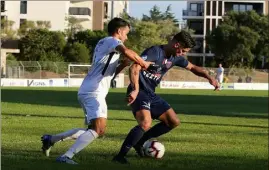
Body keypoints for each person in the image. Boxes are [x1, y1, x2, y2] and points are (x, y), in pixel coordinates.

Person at [41, 17, 158, 164]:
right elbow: (127, 51)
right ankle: (66, 157)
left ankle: (51, 139)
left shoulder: (104, 43)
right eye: (126, 33)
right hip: (93, 91)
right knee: (98, 130)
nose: (126, 37)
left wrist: (122, 65)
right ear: (119, 31)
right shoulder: (112, 41)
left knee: (93, 129)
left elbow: (109, 73)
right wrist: (143, 63)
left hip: (90, 90)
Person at [112, 31, 220, 164]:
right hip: (139, 92)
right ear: (177, 45)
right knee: (146, 122)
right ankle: (120, 156)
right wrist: (135, 89)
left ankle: (140, 142)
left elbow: (193, 68)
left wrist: (209, 77)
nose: (183, 54)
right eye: (183, 50)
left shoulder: (176, 57)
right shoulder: (155, 52)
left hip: (151, 93)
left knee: (173, 121)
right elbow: (135, 67)